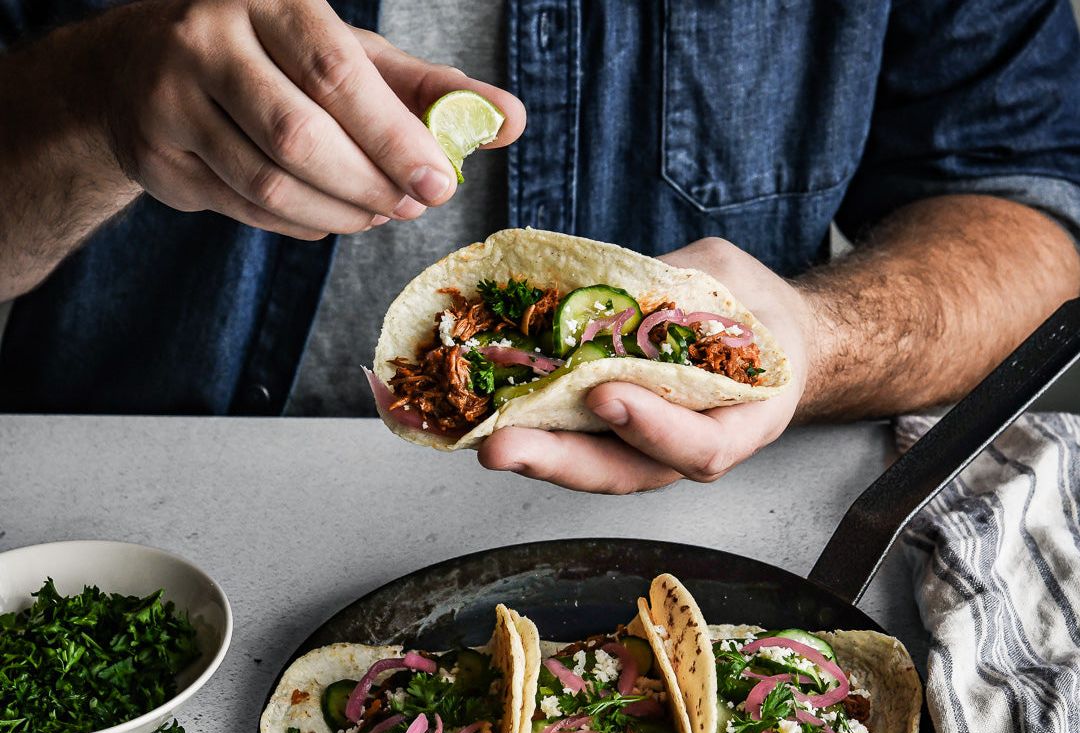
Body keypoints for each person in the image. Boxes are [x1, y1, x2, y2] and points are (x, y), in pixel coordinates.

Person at [1, 0, 1078, 495]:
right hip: (129, 531)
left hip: (723, 544)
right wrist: (85, 100)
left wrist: (811, 339)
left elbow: (1036, 207)